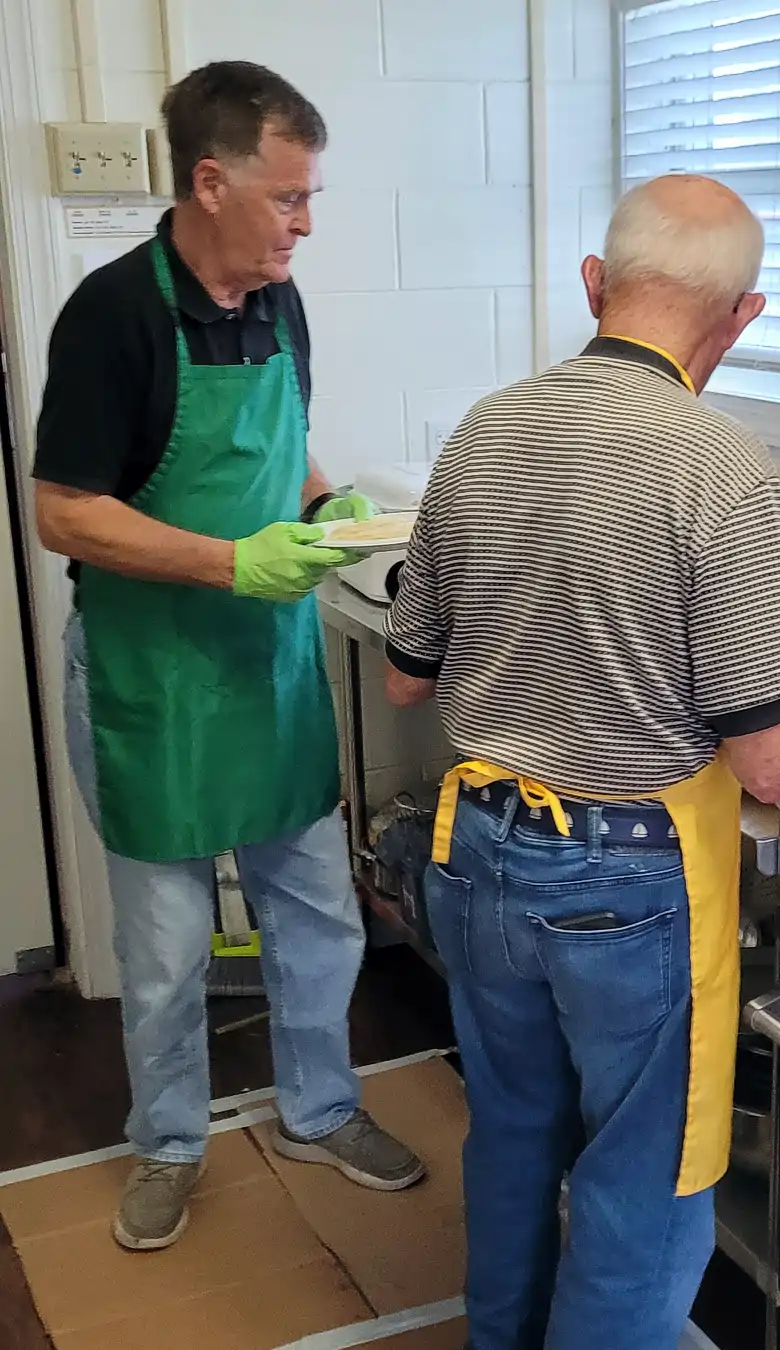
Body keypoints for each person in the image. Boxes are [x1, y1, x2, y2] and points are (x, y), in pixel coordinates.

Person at [384, 173, 780, 1350]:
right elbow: (770, 763)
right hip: (624, 884)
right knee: (642, 1179)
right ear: (742, 317)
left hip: (476, 857)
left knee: (515, 1135)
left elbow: (406, 673)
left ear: (595, 284)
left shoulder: (486, 427)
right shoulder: (719, 464)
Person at [33, 61, 424, 1253]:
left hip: (269, 670)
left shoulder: (279, 300)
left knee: (316, 917)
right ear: (211, 182)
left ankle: (321, 1108)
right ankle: (166, 1143)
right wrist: (228, 563)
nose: (306, 224)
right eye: (288, 198)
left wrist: (332, 504)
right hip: (155, 679)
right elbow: (65, 511)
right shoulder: (111, 316)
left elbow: (287, 448)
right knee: (166, 950)